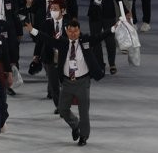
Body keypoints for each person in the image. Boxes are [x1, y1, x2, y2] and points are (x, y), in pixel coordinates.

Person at [25, 18, 108, 146]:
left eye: (76, 31)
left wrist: (114, 28)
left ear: (79, 31)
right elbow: (47, 38)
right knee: (62, 109)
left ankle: (83, 136)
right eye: (70, 31)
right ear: (66, 31)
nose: (73, 33)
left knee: (84, 112)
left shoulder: (85, 41)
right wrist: (32, 30)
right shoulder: (62, 43)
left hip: (83, 82)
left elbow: (101, 36)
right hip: (67, 83)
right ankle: (75, 125)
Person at [65, 0, 127, 74]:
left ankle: (112, 63)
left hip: (109, 15)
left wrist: (126, 12)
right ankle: (100, 64)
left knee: (109, 40)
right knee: (96, 41)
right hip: (94, 15)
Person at [30, 0, 69, 112]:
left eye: (55, 9)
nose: (53, 11)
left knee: (65, 83)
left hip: (65, 58)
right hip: (49, 56)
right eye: (51, 9)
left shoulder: (69, 23)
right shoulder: (46, 23)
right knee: (54, 85)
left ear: (62, 10)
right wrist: (36, 55)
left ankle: (65, 103)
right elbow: (40, 40)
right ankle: (59, 106)